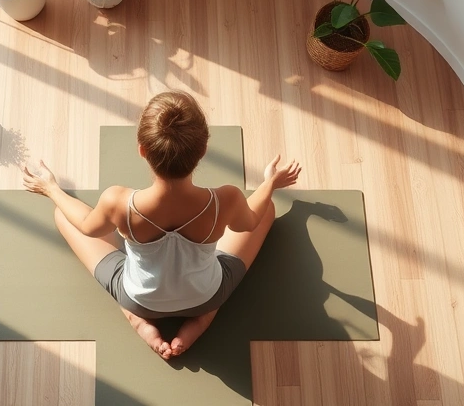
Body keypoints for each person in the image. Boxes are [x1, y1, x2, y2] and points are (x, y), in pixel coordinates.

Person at [22, 91, 301, 359]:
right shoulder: (226, 199)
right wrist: (270, 183)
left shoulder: (118, 200)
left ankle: (139, 322)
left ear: (142, 150)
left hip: (141, 301)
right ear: (203, 150)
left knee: (63, 214)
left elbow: (85, 226)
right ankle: (201, 321)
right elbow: (250, 222)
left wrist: (50, 188)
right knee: (266, 209)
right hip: (205, 296)